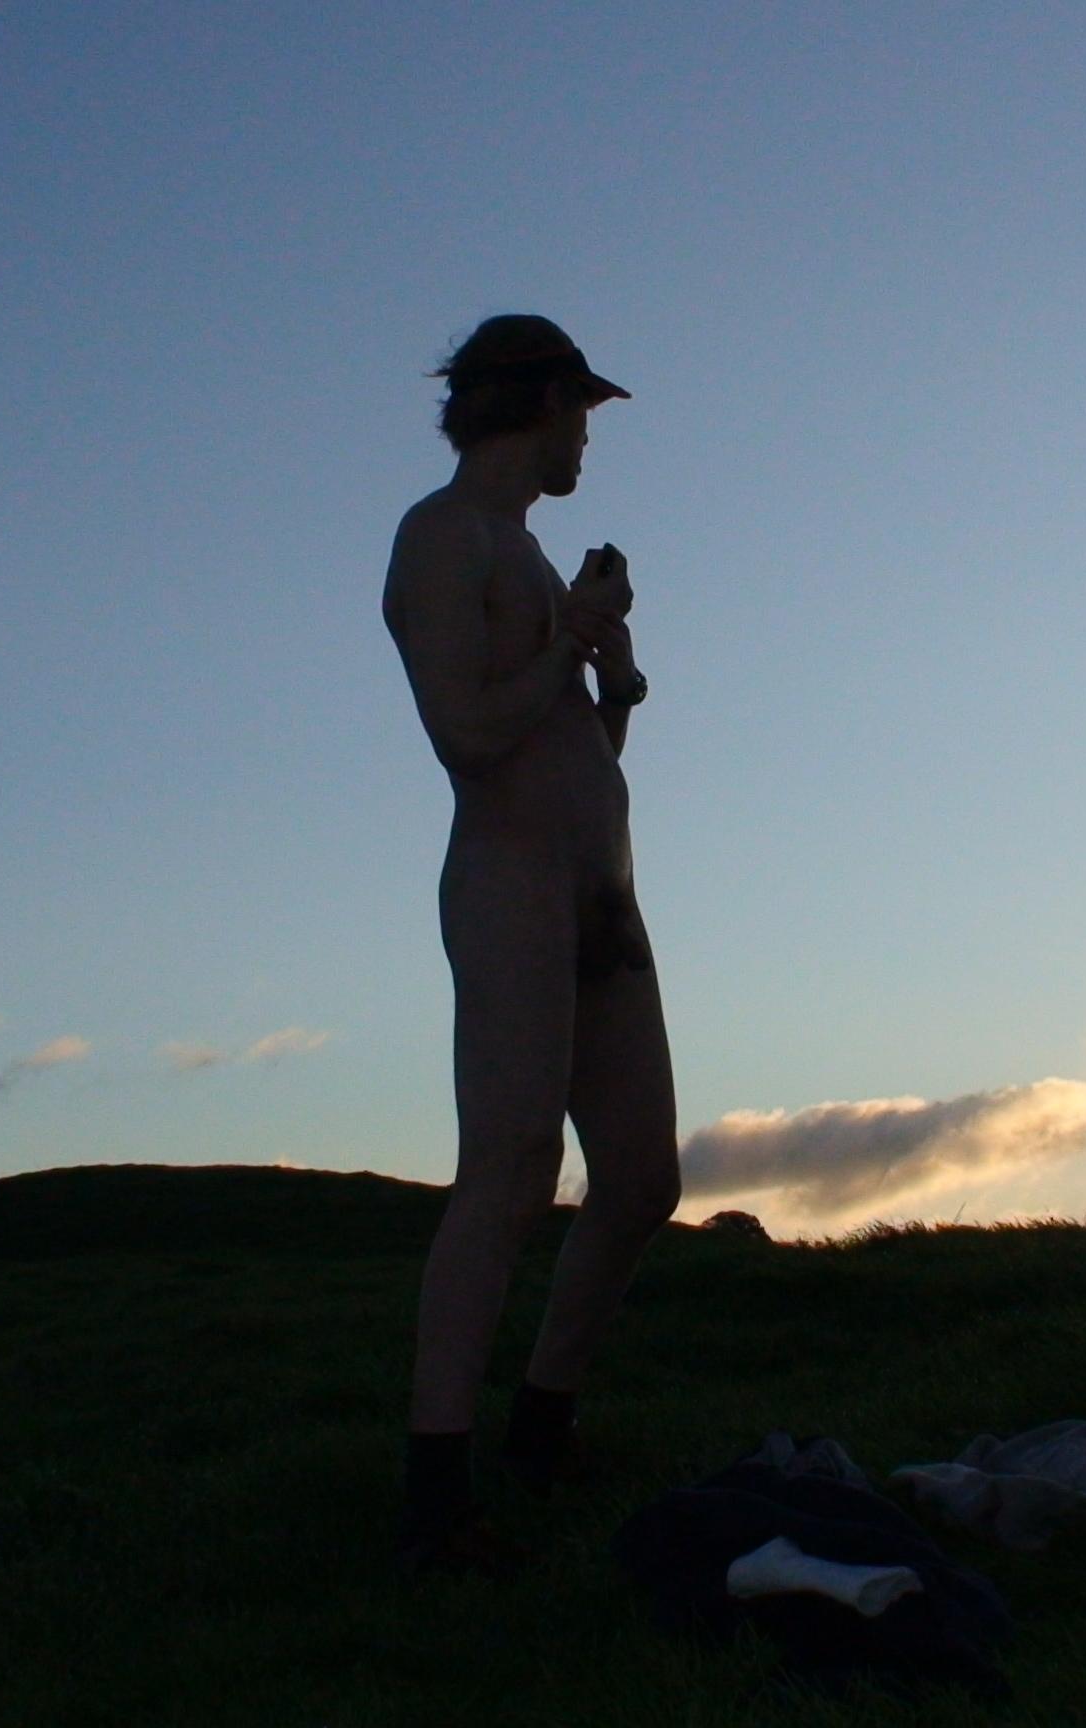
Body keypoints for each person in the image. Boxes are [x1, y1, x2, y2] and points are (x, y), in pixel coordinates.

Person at [381, 314, 681, 1577]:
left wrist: (615, 679)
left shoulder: (531, 553)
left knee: (642, 1180)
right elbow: (467, 736)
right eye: (583, 418)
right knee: (509, 1169)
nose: (587, 446)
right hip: (510, 888)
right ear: (543, 404)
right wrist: (569, 639)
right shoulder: (443, 537)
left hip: (599, 893)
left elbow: (571, 748)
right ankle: (435, 1488)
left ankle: (543, 1427)